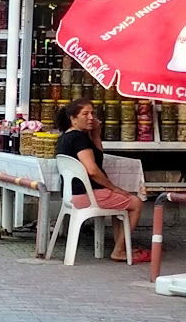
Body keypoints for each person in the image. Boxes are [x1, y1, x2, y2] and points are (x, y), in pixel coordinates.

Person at [54, 97, 145, 262]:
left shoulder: (66, 137)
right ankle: (119, 251)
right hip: (87, 195)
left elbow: (98, 156)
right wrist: (113, 188)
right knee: (136, 202)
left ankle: (123, 246)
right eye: (85, 114)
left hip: (72, 195)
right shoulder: (78, 138)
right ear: (73, 119)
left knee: (122, 203)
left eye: (92, 113)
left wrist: (96, 133)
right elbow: (93, 170)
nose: (91, 117)